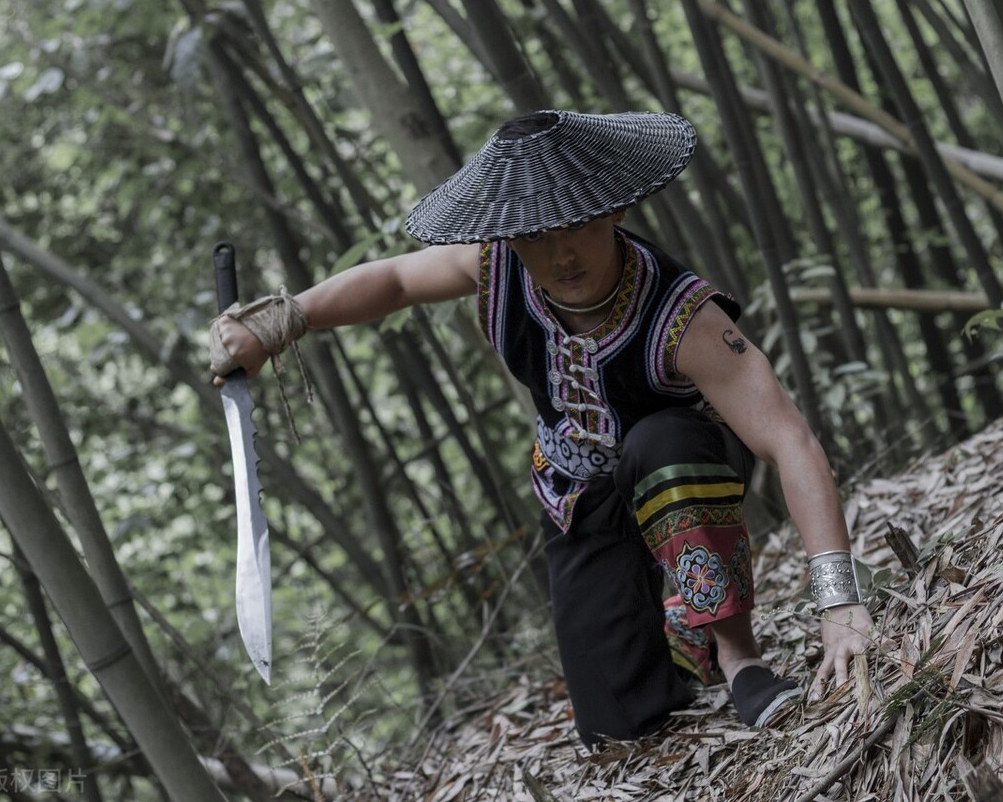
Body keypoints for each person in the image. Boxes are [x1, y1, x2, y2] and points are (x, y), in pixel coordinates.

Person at [210, 110, 873, 748]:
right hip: (577, 486)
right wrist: (282, 319)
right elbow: (395, 279)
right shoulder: (496, 267)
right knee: (618, 724)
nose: (560, 254)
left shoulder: (685, 318)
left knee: (660, 446)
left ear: (613, 209)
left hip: (683, 466)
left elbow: (791, 440)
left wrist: (838, 604)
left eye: (576, 227)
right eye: (536, 235)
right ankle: (678, 634)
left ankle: (738, 656)